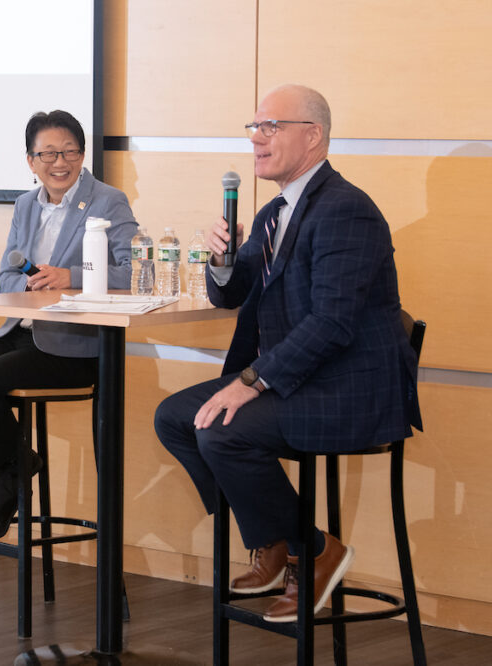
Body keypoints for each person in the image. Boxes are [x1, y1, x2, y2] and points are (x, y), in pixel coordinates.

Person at [153, 84, 421, 622]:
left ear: (313, 135)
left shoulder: (346, 210)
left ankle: (314, 549)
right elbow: (231, 297)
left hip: (348, 388)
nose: (257, 138)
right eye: (254, 127)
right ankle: (275, 539)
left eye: (271, 127)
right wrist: (221, 259)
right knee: (177, 418)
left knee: (222, 428)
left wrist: (249, 380)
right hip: (300, 379)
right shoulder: (276, 212)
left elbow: (333, 323)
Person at [0, 110, 138, 539]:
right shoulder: (25, 205)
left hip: (75, 346)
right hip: (20, 332)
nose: (60, 163)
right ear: (30, 160)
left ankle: (6, 482)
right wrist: (29, 281)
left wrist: (69, 277)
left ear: (82, 154)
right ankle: (3, 473)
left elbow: (134, 273)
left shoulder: (107, 201)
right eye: (48, 154)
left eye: (69, 152)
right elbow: (5, 278)